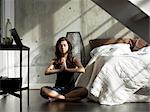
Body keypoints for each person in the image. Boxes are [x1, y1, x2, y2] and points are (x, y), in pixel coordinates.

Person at [40, 37, 88, 102]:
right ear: (58, 47)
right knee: (43, 90)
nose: (62, 47)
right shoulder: (55, 60)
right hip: (57, 89)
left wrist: (67, 69)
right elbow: (47, 71)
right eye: (60, 45)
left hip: (70, 89)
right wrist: (60, 70)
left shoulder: (74, 59)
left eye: (64, 45)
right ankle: (66, 98)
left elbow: (82, 69)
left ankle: (57, 98)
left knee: (84, 91)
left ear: (68, 46)